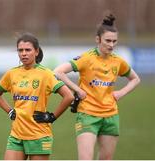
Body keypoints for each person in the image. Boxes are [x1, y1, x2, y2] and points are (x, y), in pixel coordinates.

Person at [54, 13, 140, 160]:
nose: (111, 45)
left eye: (114, 41)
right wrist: (77, 89)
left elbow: (135, 79)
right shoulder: (86, 58)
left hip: (111, 116)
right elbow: (58, 71)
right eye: (108, 40)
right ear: (98, 39)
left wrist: (121, 93)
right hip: (87, 115)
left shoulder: (118, 61)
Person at [0, 32, 74, 160]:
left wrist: (52, 117)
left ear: (36, 52)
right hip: (16, 135)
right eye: (20, 50)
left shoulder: (46, 74)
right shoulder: (12, 73)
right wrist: (9, 111)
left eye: (28, 50)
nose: (23, 53)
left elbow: (69, 96)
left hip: (39, 135)